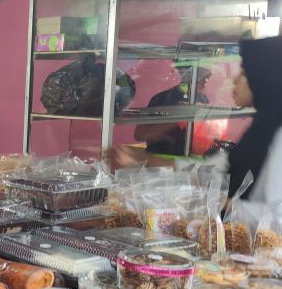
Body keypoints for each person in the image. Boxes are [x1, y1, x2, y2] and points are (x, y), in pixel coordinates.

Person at [110, 36, 282, 215]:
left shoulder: (277, 135)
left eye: (245, 73)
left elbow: (275, 217)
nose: (235, 80)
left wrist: (206, 202)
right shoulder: (260, 130)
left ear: (265, 78)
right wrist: (140, 160)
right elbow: (209, 172)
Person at [134, 67, 211, 156]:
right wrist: (177, 118)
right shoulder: (162, 98)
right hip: (162, 161)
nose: (206, 79)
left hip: (189, 161)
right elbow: (140, 134)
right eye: (203, 74)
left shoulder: (203, 99)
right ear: (188, 75)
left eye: (208, 76)